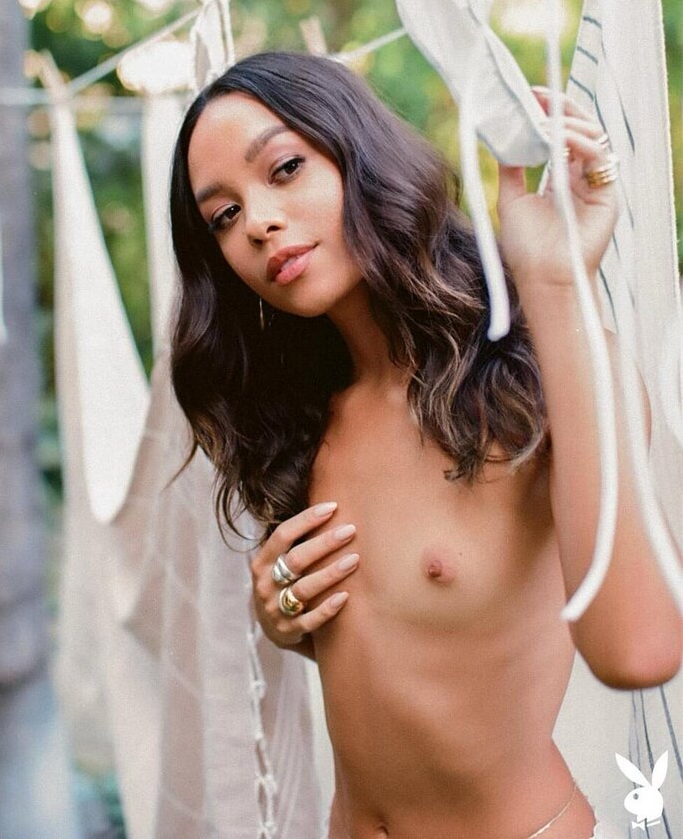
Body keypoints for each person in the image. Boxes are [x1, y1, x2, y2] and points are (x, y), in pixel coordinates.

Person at [169, 51, 681, 839]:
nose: (259, 222)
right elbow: (418, 655)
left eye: (285, 168)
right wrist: (285, 618)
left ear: (362, 155)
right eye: (224, 217)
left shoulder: (537, 379)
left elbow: (640, 653)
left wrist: (554, 287)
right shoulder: (305, 416)